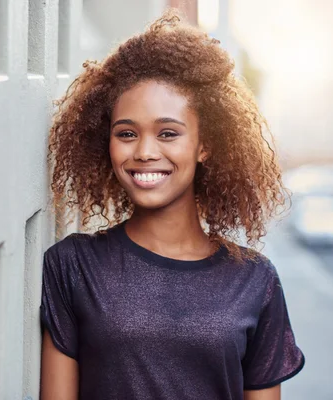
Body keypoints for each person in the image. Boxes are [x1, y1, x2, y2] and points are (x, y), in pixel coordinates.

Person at [39, 9, 305, 400]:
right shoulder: (73, 266)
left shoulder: (254, 280)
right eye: (126, 133)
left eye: (168, 133)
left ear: (205, 145)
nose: (145, 152)